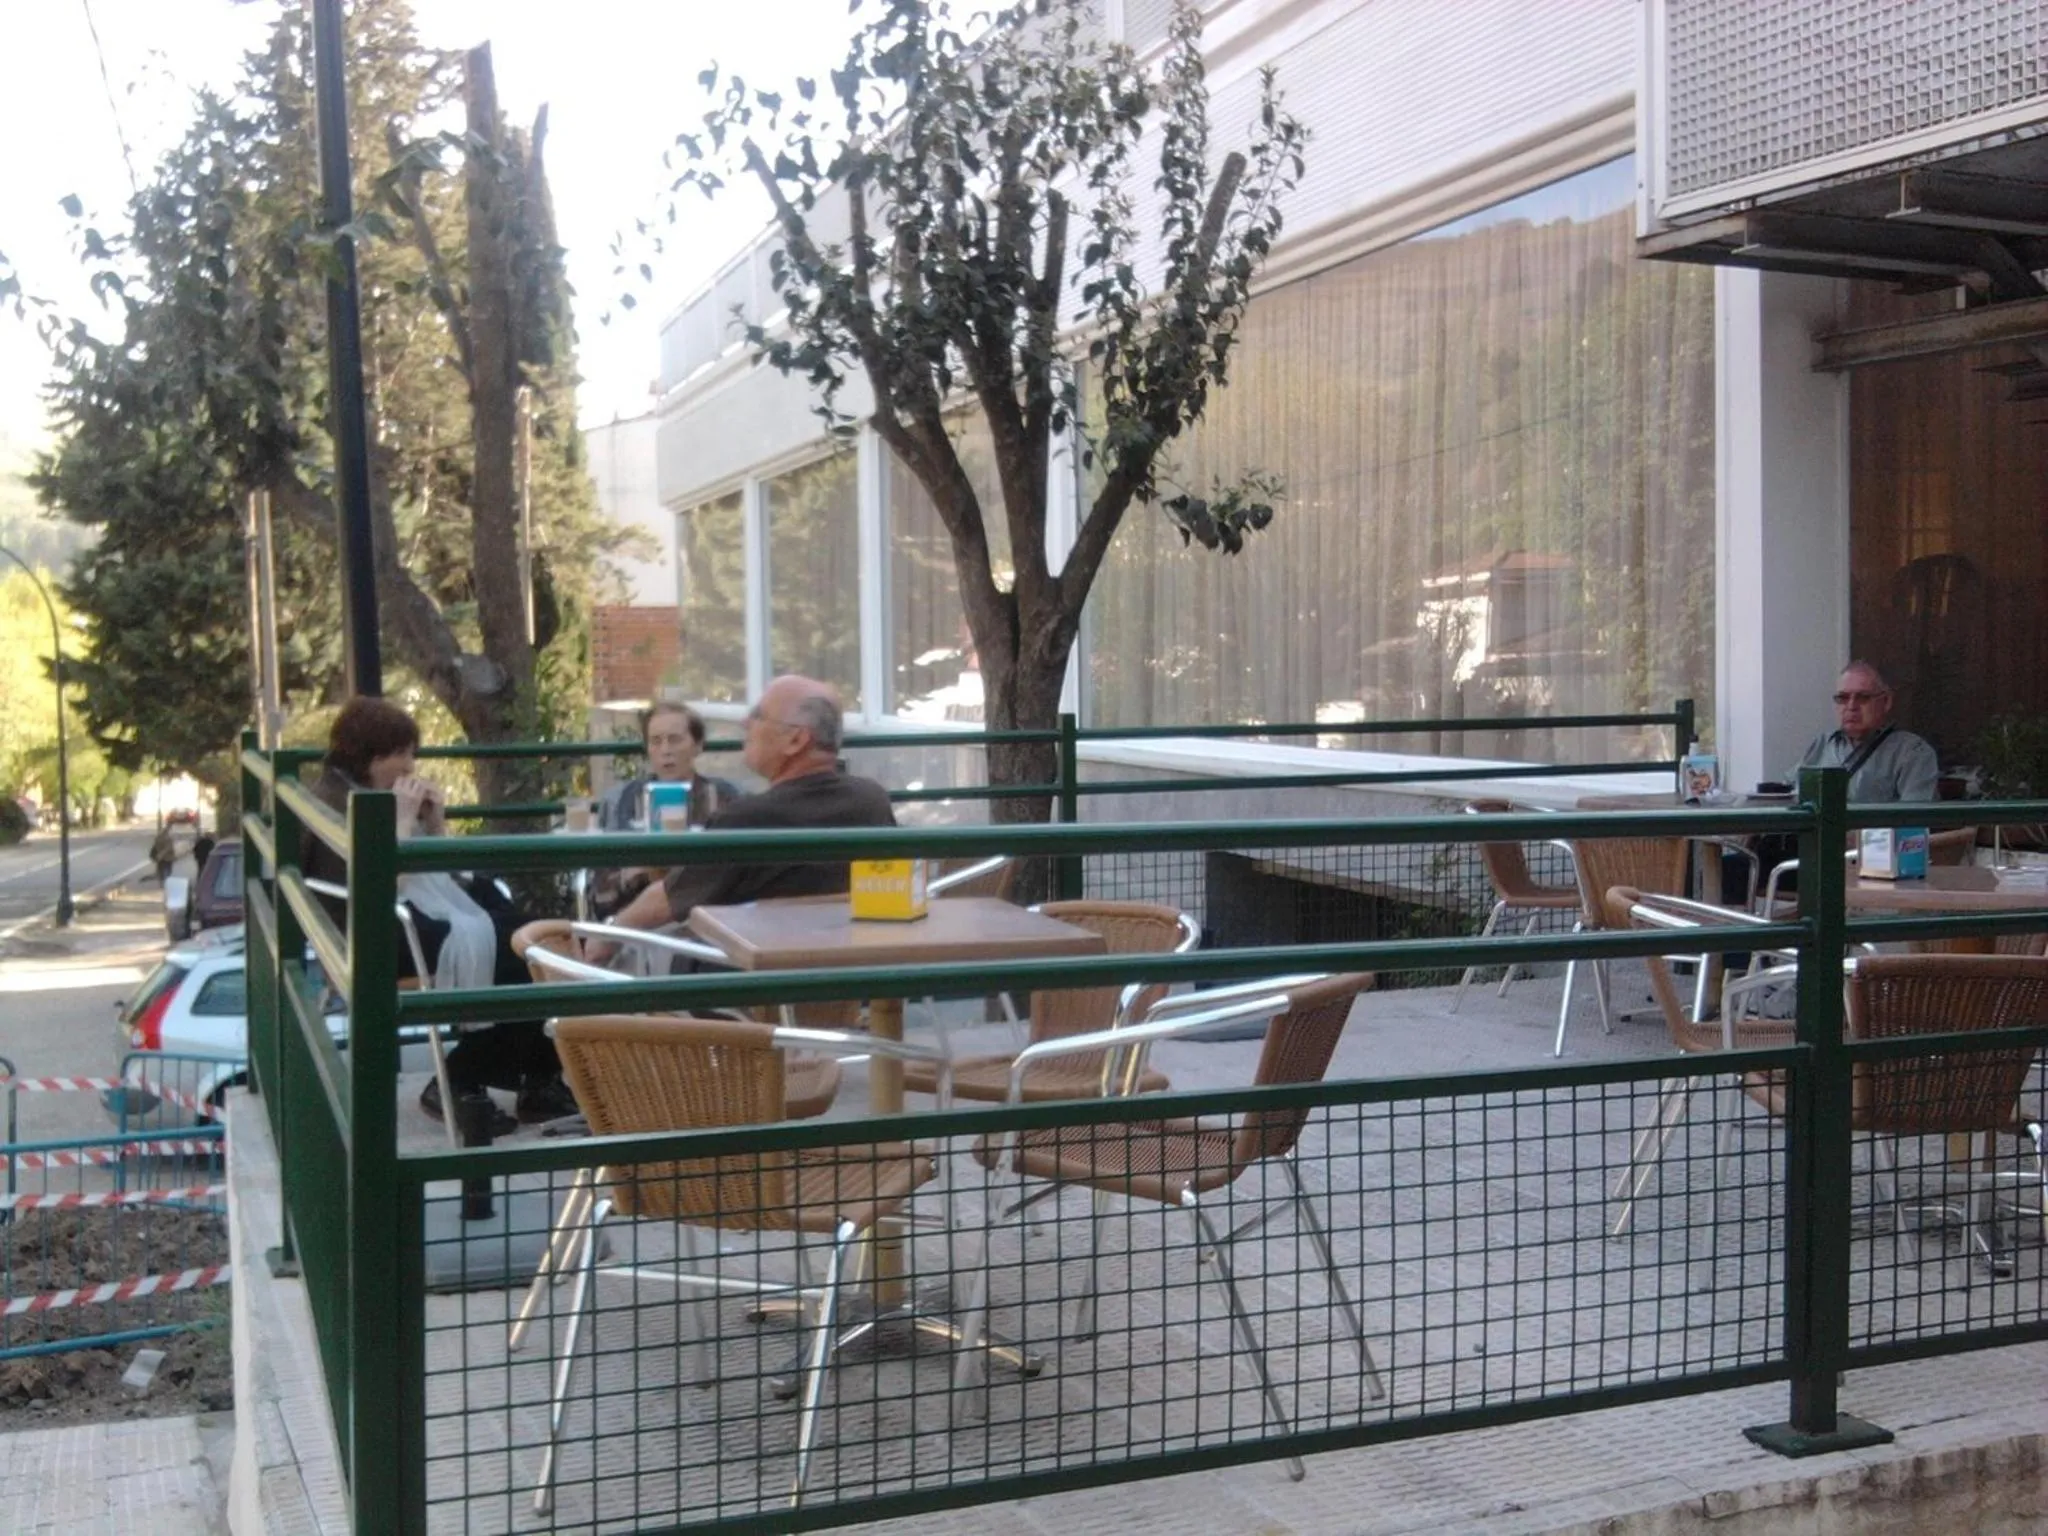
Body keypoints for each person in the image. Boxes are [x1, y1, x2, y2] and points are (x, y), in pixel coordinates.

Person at [301, 697, 574, 1134]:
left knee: (529, 938)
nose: (411, 764)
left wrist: (437, 825)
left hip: (410, 914)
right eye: (402, 753)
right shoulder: (336, 805)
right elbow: (373, 889)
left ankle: (530, 1081)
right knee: (519, 958)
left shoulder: (367, 792)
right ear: (371, 755)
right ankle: (462, 1080)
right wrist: (404, 824)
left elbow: (439, 875)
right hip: (377, 934)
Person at [596, 675, 895, 949]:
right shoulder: (872, 801)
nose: (744, 723)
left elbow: (667, 901)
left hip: (745, 992)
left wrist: (605, 936)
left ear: (796, 740)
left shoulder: (747, 819)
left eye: (758, 716)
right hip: (851, 984)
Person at [588, 701, 741, 918]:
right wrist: (637, 874)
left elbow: (740, 877)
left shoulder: (726, 797)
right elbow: (601, 893)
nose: (666, 751)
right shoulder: (621, 801)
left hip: (705, 920)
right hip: (636, 923)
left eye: (675, 740)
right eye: (656, 741)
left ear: (698, 746)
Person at [1791, 661, 1941, 803]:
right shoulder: (1823, 743)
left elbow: (1914, 823)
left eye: (1862, 698)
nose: (1851, 706)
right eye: (1843, 698)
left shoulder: (1913, 752)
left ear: (1886, 701)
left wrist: (1859, 832)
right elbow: (1789, 795)